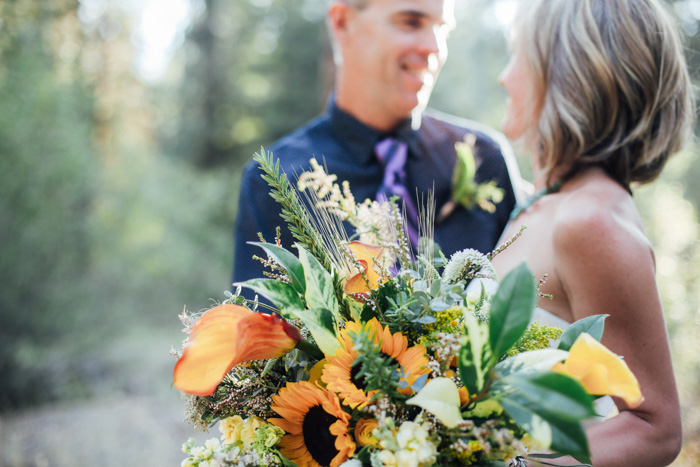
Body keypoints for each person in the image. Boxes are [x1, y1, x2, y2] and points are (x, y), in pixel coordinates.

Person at [492, 0, 694, 465]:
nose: (505, 76)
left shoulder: (591, 221)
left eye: (518, 55)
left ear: (567, 74)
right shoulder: (542, 204)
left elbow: (655, 429)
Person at [232, 0, 523, 292]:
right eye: (411, 22)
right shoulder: (276, 180)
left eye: (443, 30)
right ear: (343, 22)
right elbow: (263, 330)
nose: (434, 47)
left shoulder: (483, 158)